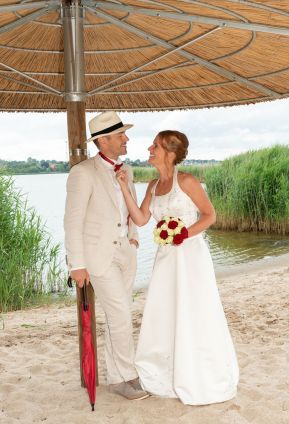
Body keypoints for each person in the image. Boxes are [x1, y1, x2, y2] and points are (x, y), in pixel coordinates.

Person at [116, 130, 239, 405]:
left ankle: (198, 370)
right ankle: (166, 369)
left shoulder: (187, 180)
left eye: (155, 146)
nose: (149, 148)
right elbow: (141, 217)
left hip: (190, 256)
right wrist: (124, 187)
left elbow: (210, 216)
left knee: (194, 310)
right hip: (165, 258)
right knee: (165, 310)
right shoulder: (151, 185)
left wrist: (184, 233)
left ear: (170, 153)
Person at [64, 111, 149, 401]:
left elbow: (131, 207)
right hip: (100, 257)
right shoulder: (83, 172)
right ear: (104, 140)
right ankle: (123, 377)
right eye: (121, 135)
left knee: (122, 314)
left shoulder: (128, 170)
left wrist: (135, 239)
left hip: (126, 252)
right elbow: (72, 221)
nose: (127, 139)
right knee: (120, 315)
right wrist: (77, 265)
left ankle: (124, 374)